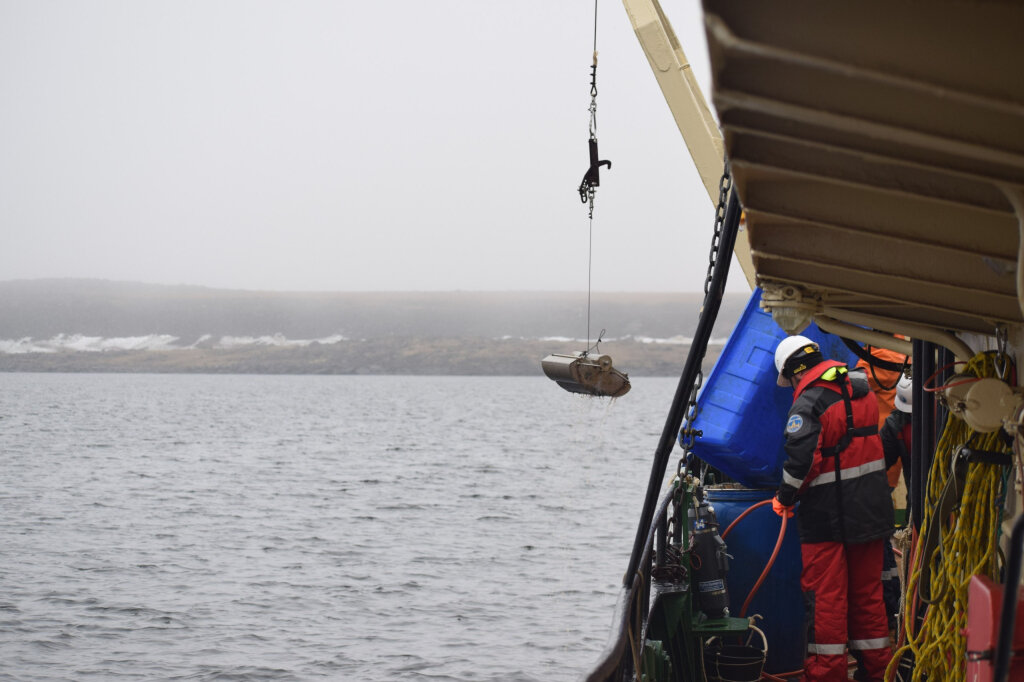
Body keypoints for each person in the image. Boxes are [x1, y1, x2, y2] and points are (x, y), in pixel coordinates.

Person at [771, 335, 895, 681]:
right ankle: (880, 672)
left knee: (826, 600)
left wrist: (784, 498)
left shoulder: (808, 404)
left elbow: (801, 464)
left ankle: (827, 675)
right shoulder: (861, 390)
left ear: (795, 373)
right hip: (871, 513)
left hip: (827, 521)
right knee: (868, 597)